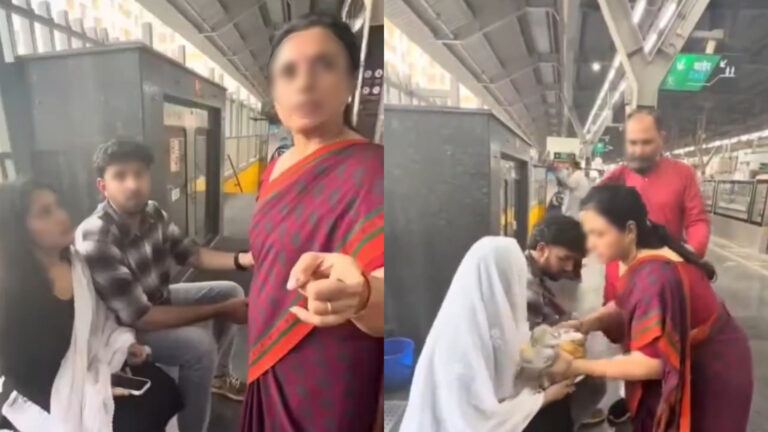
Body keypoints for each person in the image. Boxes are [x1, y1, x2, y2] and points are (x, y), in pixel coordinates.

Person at [240, 15, 385, 432]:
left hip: (328, 365)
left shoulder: (373, 170)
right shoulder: (275, 166)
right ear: (274, 92)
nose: (304, 82)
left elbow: (384, 283)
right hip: (265, 349)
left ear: (350, 82)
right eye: (288, 71)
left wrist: (361, 295)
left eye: (323, 65)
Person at [75, 140, 252, 432]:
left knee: (231, 290)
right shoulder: (96, 236)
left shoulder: (153, 212)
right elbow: (141, 316)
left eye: (139, 174)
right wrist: (221, 310)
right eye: (120, 176)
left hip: (157, 299)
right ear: (103, 186)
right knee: (200, 346)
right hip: (123, 329)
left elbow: (191, 253)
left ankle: (218, 377)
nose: (133, 184)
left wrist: (243, 259)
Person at [558, 185, 752, 432]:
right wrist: (584, 325)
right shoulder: (641, 257)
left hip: (712, 369)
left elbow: (651, 363)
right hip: (701, 353)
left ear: (629, 230)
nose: (591, 244)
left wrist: (577, 367)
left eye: (598, 234)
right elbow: (624, 303)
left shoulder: (655, 277)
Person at [0, 179, 182, 432]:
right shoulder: (11, 290)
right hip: (45, 390)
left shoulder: (77, 265)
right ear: (19, 229)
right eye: (45, 212)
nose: (61, 216)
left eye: (57, 206)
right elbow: (22, 370)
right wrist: (93, 390)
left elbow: (101, 323)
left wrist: (125, 346)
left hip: (96, 366)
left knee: (162, 389)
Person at [400, 237, 575, 431]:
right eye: (514, 278)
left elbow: (518, 357)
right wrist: (544, 398)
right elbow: (476, 422)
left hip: (490, 413)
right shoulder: (460, 346)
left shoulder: (486, 320)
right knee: (552, 416)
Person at [524, 215, 606, 428]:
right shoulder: (527, 285)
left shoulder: (533, 273)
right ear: (542, 249)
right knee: (594, 383)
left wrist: (560, 328)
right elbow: (526, 349)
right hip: (527, 382)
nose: (570, 267)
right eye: (564, 258)